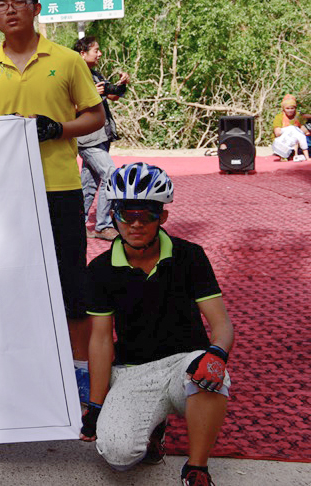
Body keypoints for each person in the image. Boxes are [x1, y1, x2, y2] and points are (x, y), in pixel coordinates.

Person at [0, 0, 104, 403]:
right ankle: (17, 368)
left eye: (19, 1)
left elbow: (95, 116)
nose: (10, 10)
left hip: (60, 189)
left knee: (71, 284)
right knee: (8, 283)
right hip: (5, 197)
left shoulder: (67, 61)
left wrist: (59, 129)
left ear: (36, 8)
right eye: (1, 4)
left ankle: (79, 372)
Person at [80, 163, 234, 486]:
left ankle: (197, 469)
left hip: (185, 363)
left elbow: (221, 324)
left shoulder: (190, 256)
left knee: (211, 376)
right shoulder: (100, 269)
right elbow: (101, 341)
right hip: (133, 370)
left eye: (146, 214)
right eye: (127, 214)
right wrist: (95, 406)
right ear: (114, 215)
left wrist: (217, 354)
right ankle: (153, 429)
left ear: (162, 216)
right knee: (118, 454)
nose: (136, 224)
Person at [74, 36, 130, 241]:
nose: (99, 54)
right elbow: (67, 107)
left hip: (101, 136)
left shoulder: (95, 74)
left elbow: (112, 95)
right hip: (87, 138)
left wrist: (122, 85)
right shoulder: (74, 75)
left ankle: (76, 225)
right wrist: (93, 96)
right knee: (111, 175)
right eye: (95, 50)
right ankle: (104, 225)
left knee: (88, 185)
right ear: (82, 53)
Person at [270, 94, 308, 162]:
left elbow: (304, 131)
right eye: (287, 108)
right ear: (284, 109)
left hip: (296, 142)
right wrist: (290, 129)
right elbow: (277, 133)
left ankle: (295, 154)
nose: (290, 110)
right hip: (282, 141)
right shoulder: (279, 117)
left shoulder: (298, 116)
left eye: (292, 108)